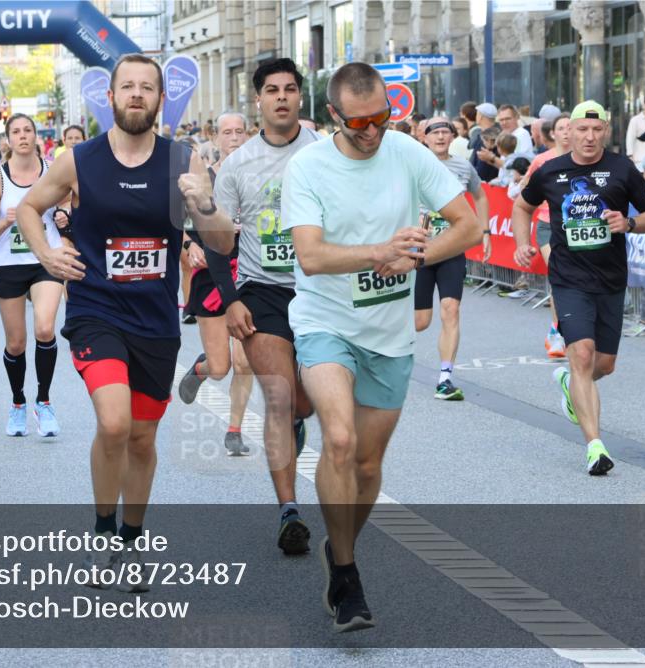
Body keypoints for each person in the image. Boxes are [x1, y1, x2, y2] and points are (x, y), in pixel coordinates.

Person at [14, 54, 233, 585]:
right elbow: (28, 209)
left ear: (160, 99)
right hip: (96, 308)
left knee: (141, 438)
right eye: (127, 87)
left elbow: (224, 242)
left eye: (147, 88)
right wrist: (45, 253)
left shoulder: (184, 159)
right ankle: (102, 531)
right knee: (113, 423)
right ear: (110, 97)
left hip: (156, 319)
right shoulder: (78, 159)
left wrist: (203, 206)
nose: (137, 94)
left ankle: (132, 541)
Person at [283, 62, 480, 632]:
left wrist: (415, 256)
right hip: (325, 320)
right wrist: (379, 253)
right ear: (333, 118)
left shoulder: (407, 153)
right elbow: (312, 256)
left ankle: (338, 546)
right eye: (358, 123)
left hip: (389, 333)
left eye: (380, 119)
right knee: (339, 440)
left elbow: (467, 228)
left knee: (368, 464)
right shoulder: (310, 166)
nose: (371, 132)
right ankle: (346, 573)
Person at [187, 58, 320, 555]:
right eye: (271, 90)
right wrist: (233, 299)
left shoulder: (325, 152)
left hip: (320, 290)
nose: (281, 97)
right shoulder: (237, 165)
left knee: (304, 404)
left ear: (299, 98)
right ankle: (289, 512)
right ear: (258, 101)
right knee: (280, 398)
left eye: (289, 89)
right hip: (264, 291)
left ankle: (297, 425)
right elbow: (216, 239)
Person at [513, 101, 645, 476]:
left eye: (597, 131)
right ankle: (595, 446)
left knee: (603, 365)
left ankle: (569, 383)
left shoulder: (621, 168)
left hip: (610, 278)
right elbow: (521, 207)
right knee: (580, 353)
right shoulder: (549, 171)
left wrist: (628, 223)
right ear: (570, 132)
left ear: (606, 132)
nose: (589, 137)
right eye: (582, 130)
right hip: (568, 278)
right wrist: (520, 243)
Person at [0, 114, 64, 437]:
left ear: (36, 136)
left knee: (44, 328)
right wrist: (6, 222)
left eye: (28, 130)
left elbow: (72, 205)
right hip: (8, 264)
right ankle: (18, 403)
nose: (23, 136)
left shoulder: (53, 172)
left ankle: (44, 401)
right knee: (16, 342)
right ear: (8, 139)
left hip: (46, 257)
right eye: (16, 131)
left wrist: (66, 217)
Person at [177, 111, 254, 456]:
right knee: (221, 367)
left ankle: (234, 430)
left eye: (240, 131)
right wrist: (190, 245)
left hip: (251, 273)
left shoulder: (259, 178)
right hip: (211, 273)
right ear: (216, 137)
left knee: (244, 362)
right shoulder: (202, 178)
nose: (235, 137)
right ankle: (201, 368)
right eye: (228, 132)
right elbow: (174, 222)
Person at [414, 117, 490, 401]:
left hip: (452, 249)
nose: (441, 137)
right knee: (419, 322)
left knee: (451, 309)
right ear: (424, 137)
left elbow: (480, 196)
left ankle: (445, 378)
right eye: (436, 133)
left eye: (446, 132)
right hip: (420, 251)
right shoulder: (414, 164)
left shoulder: (462, 165)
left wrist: (485, 232)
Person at [521, 113, 573, 358]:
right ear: (553, 133)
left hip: (575, 227)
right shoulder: (542, 160)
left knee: (575, 279)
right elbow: (524, 190)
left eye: (569, 127)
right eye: (561, 128)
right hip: (546, 224)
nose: (565, 132)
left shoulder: (584, 159)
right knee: (559, 275)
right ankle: (557, 333)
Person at [470, 103, 500, 181]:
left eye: (477, 114)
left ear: (480, 117)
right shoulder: (497, 132)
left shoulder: (488, 137)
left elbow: (482, 169)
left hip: (486, 184)